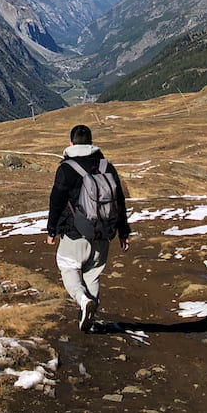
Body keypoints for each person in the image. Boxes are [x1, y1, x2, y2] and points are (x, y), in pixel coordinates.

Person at [46, 123, 130, 332]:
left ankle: (83, 301)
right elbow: (119, 200)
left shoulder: (66, 168)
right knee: (92, 274)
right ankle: (89, 321)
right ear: (92, 143)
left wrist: (52, 230)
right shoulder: (106, 166)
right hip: (104, 231)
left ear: (71, 143)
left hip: (76, 232)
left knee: (68, 266)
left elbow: (56, 201)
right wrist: (123, 232)